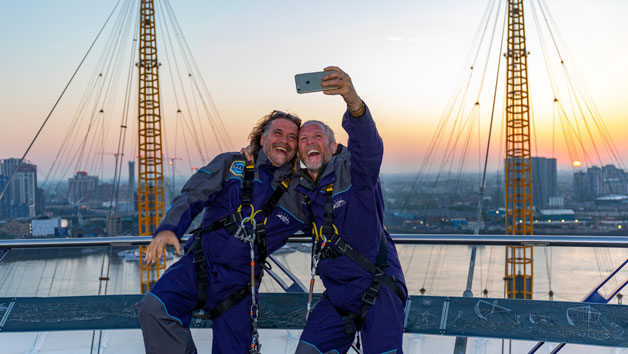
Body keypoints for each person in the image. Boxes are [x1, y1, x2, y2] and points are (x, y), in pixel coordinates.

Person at [136, 110, 307, 354]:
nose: (284, 140)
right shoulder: (231, 164)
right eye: (277, 133)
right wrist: (170, 228)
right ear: (261, 138)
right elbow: (194, 194)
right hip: (198, 265)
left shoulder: (300, 192)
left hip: (239, 285)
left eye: (292, 137)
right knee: (153, 309)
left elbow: (335, 214)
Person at [295, 67, 408, 354]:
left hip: (378, 286)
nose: (310, 142)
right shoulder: (302, 191)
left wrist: (353, 102)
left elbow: (368, 148)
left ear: (333, 146)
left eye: (317, 136)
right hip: (337, 295)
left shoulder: (355, 174)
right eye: (304, 140)